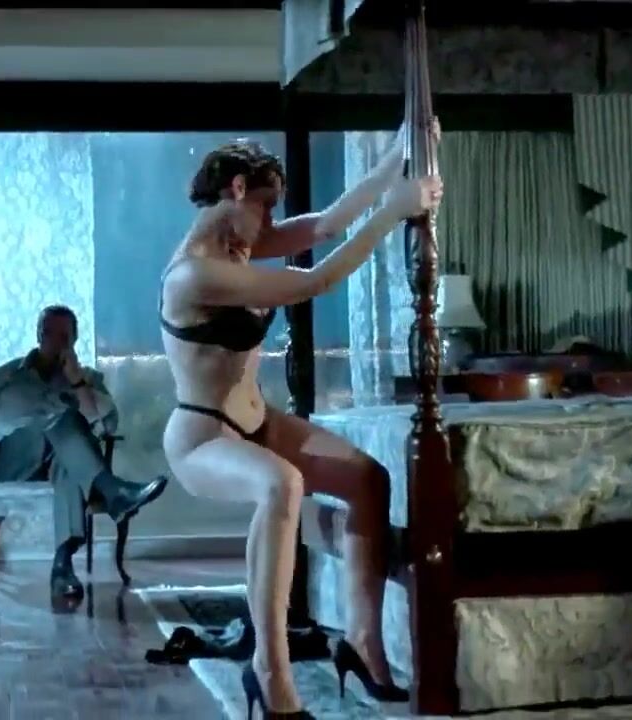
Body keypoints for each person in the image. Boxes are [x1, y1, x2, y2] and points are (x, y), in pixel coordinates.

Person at [160, 128, 442, 716]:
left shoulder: (241, 244)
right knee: (281, 483)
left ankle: (362, 644)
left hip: (258, 420)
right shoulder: (193, 275)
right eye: (265, 207)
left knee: (368, 480)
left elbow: (327, 225)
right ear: (238, 189)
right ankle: (269, 672)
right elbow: (317, 279)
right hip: (202, 436)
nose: (269, 224)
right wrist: (393, 211)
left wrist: (397, 155)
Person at [0, 305, 168, 599]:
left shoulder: (87, 379)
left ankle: (62, 566)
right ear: (38, 335)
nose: (55, 342)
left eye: (64, 337)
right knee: (61, 418)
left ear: (74, 340)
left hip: (61, 460)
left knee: (69, 463)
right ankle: (112, 489)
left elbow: (106, 426)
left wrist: (76, 381)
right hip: (15, 459)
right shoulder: (5, 378)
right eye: (49, 334)